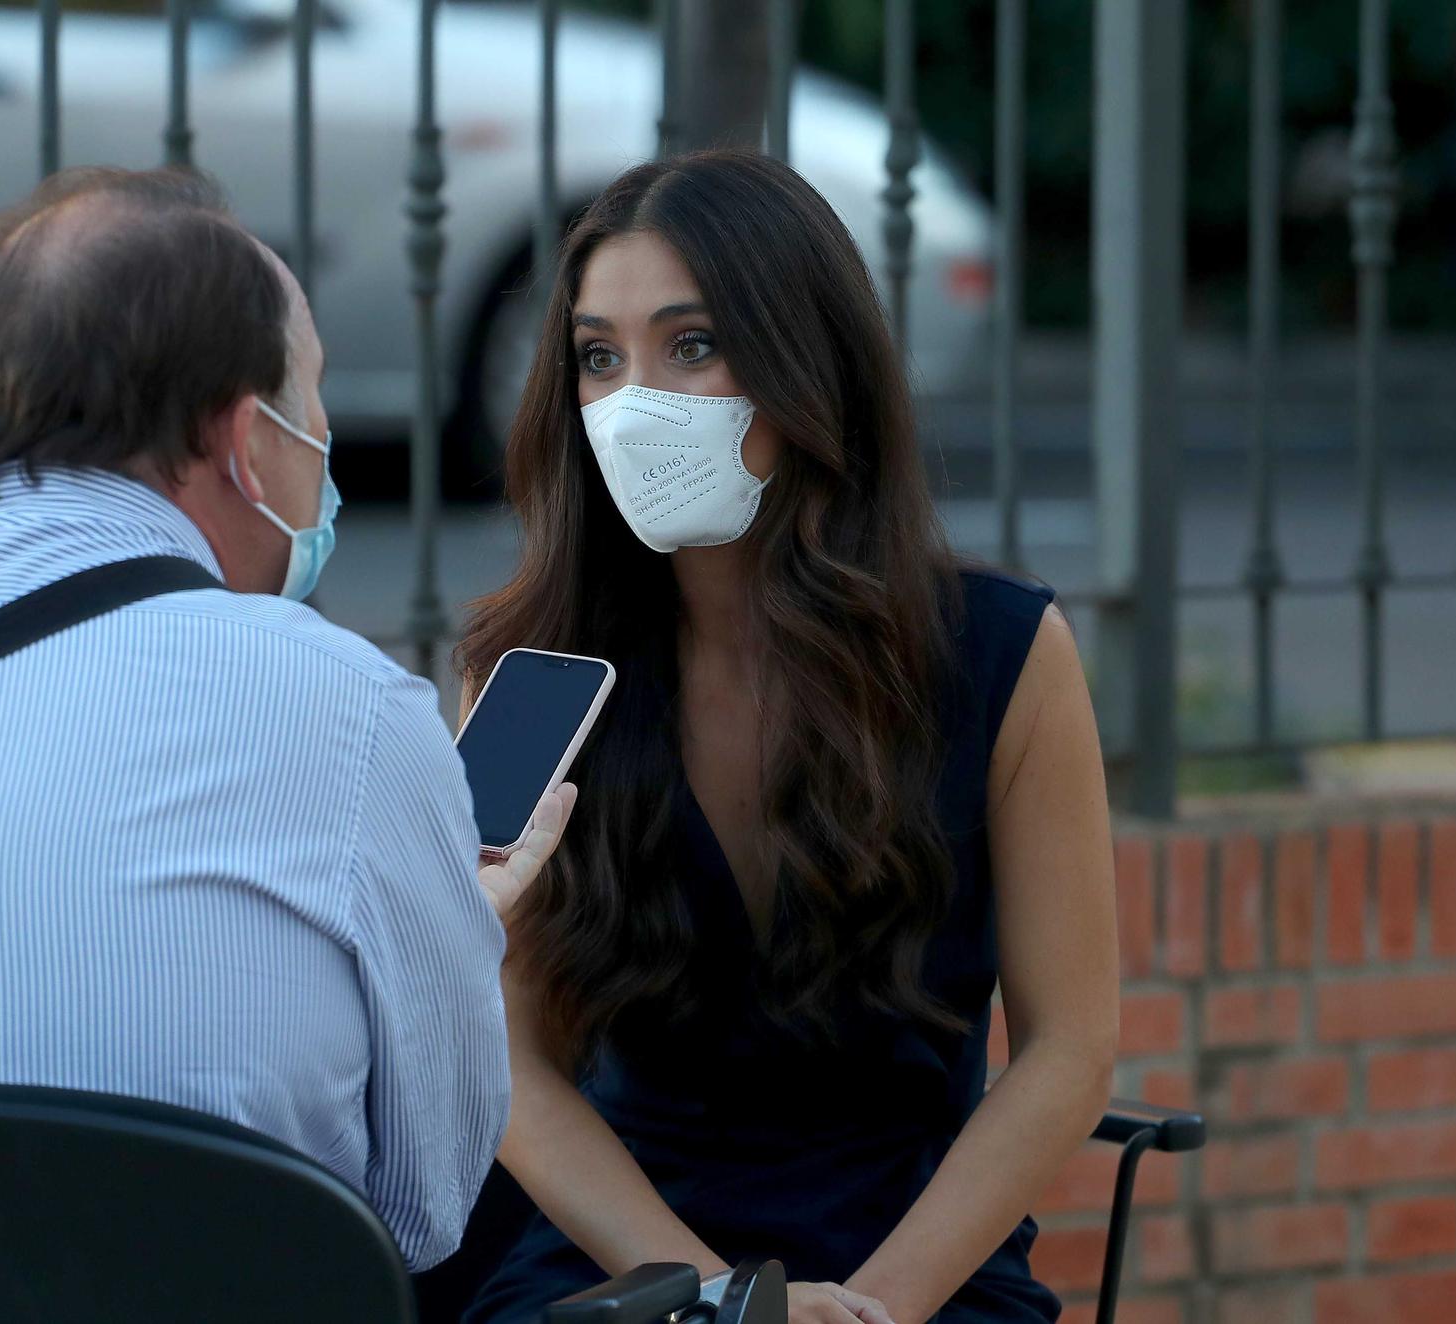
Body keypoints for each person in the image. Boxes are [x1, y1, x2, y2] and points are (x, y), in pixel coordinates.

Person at [0, 166, 571, 1272]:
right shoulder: (343, 709)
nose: (321, 438)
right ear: (244, 437)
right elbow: (418, 1217)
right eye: (310, 392)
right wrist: (457, 937)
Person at [454, 151, 1119, 1324]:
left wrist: (871, 1307)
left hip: (916, 1268)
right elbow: (506, 1058)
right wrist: (723, 1303)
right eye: (598, 356)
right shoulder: (529, 677)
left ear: (809, 363)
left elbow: (1067, 1047)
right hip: (627, 1269)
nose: (634, 399)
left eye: (691, 344)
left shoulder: (1002, 655)